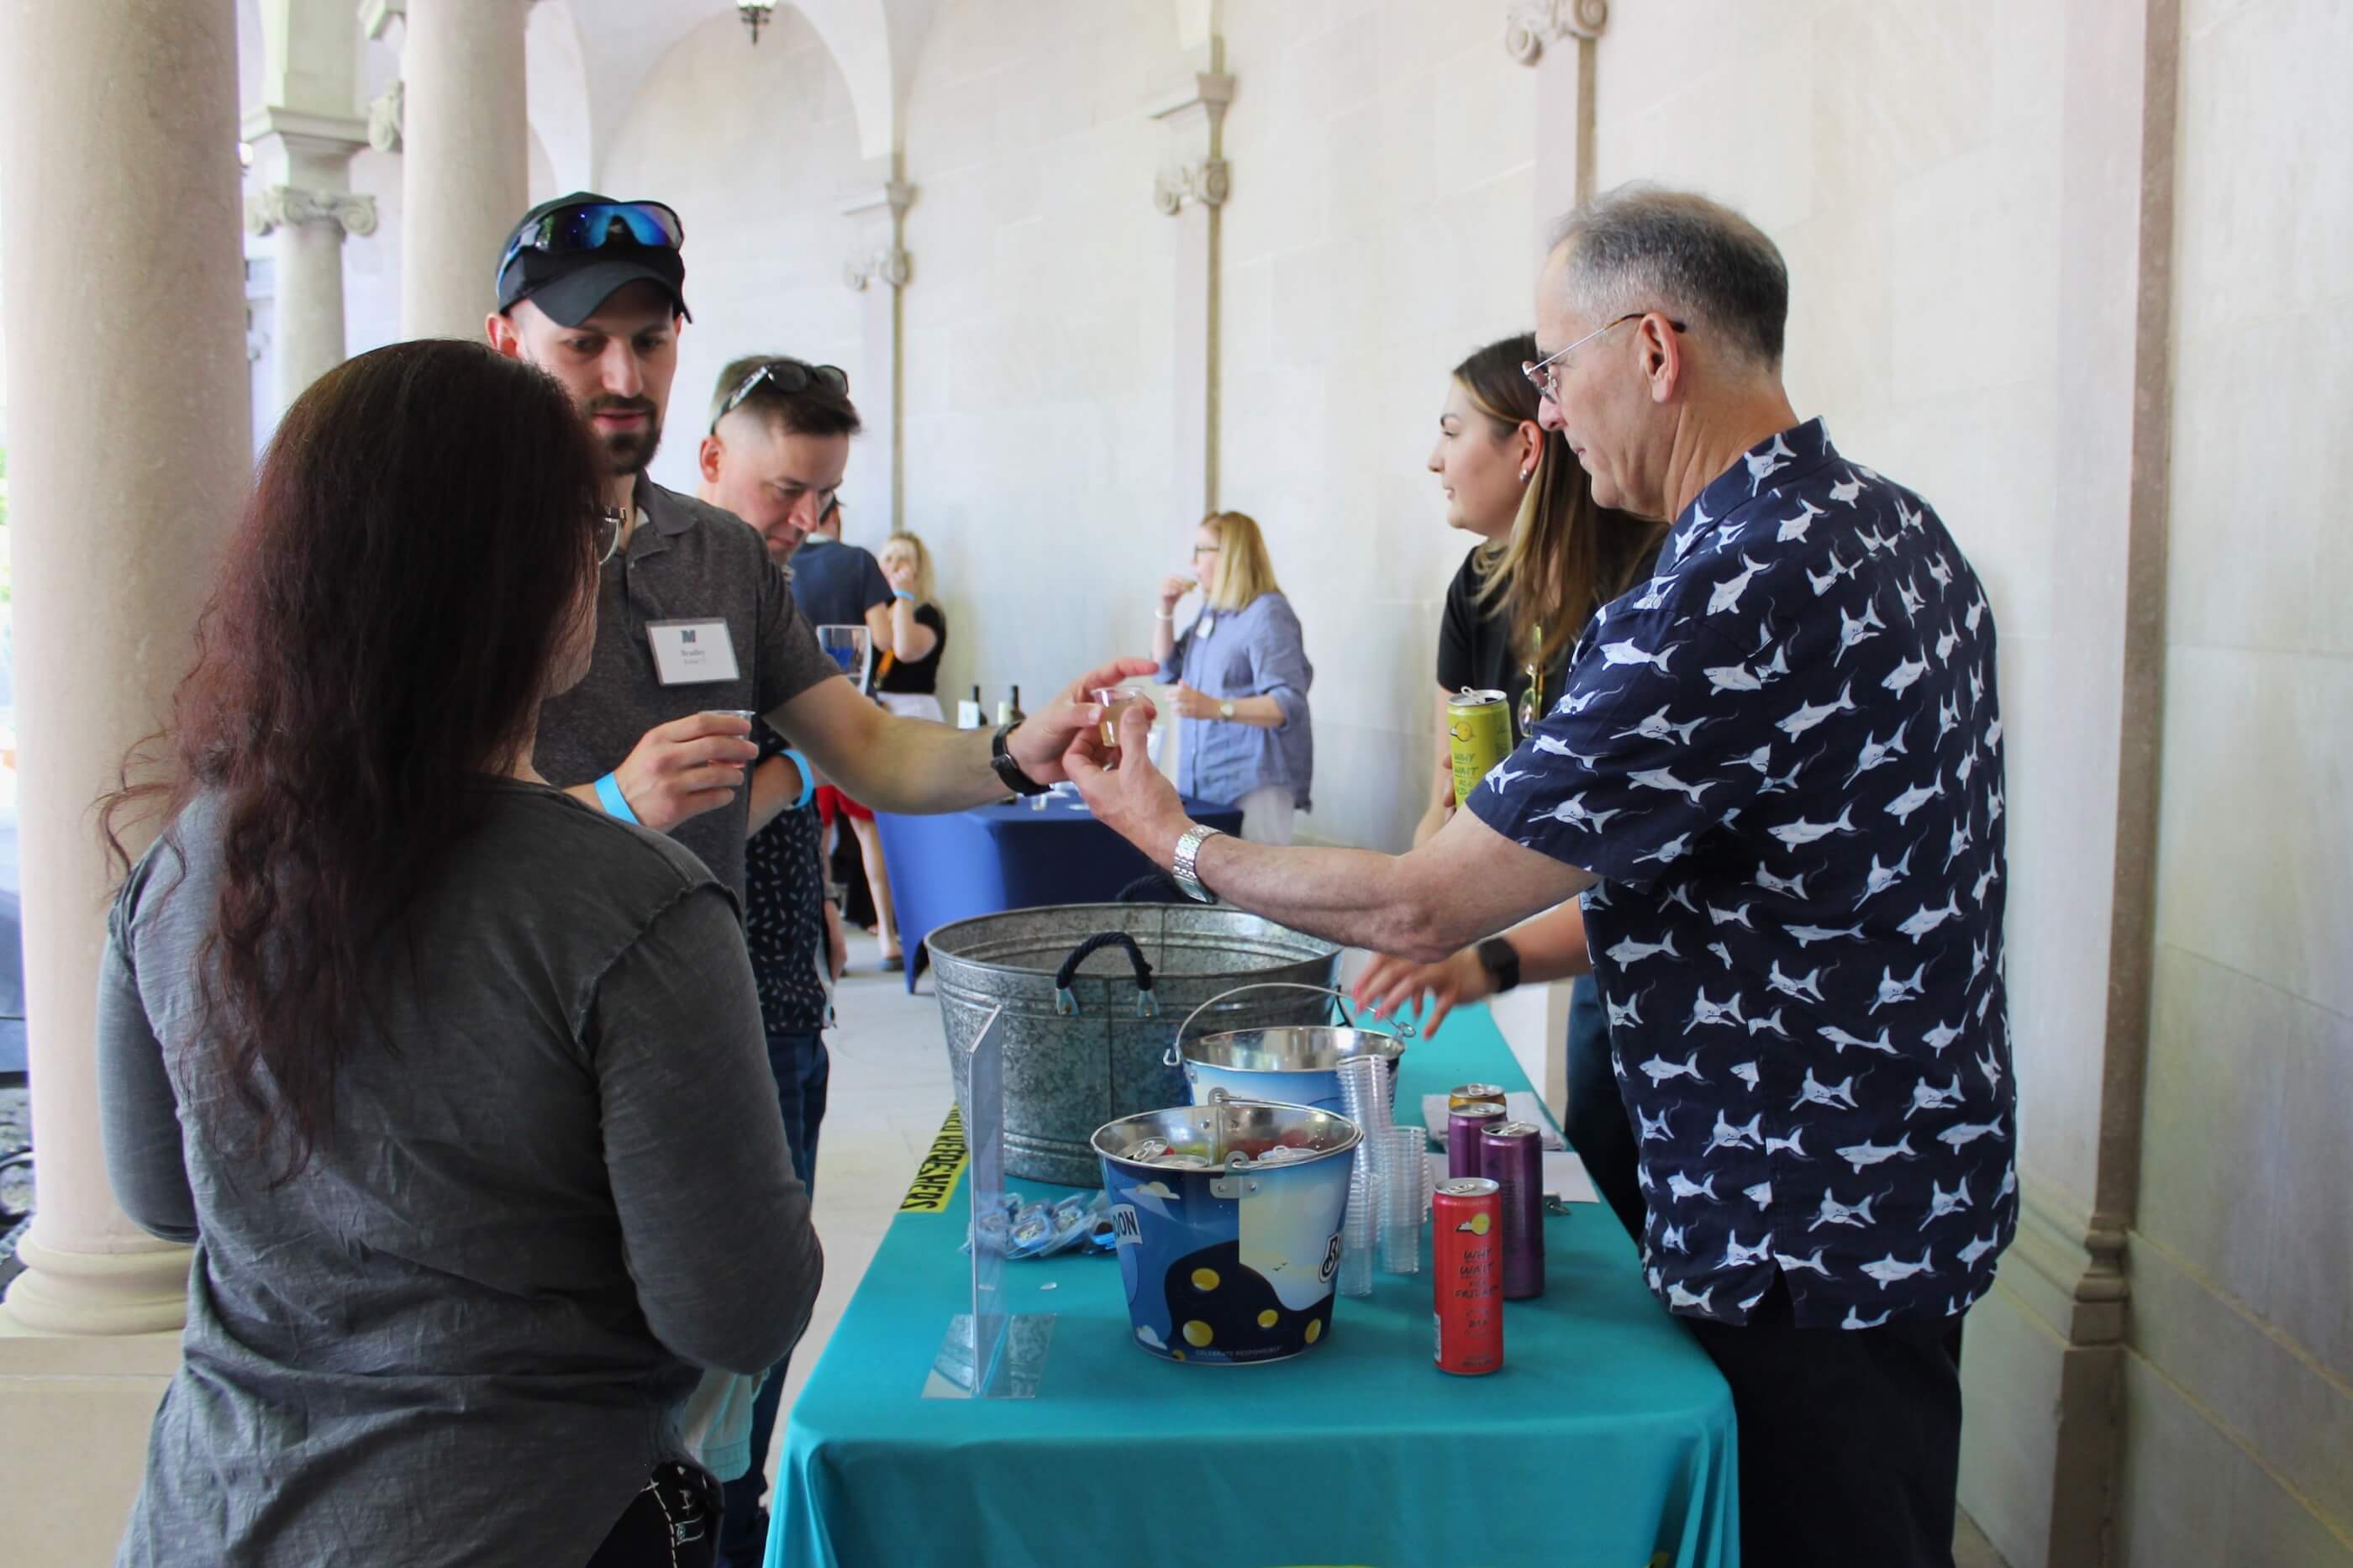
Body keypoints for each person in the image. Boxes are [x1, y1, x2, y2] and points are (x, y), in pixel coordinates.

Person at [1070, 185, 2016, 1568]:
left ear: (1654, 349)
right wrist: (1496, 960)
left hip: (1801, 1230)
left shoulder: (1735, 582)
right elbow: (1752, 875)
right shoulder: (1890, 526)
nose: (1552, 415)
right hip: (1901, 1193)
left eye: (1554, 371)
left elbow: (1419, 894)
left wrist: (1170, 835)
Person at [95, 340, 821, 1567]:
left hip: (211, 1516)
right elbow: (736, 1302)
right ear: (534, 582)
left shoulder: (184, 860)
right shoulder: (631, 907)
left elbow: (163, 1196)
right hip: (523, 1516)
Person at [484, 204, 1150, 926]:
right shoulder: (456, 544)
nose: (625, 376)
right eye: (584, 344)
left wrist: (1020, 752)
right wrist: (614, 804)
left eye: (650, 341)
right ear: (508, 344)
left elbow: (866, 745)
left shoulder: (722, 552)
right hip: (525, 1007)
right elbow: (398, 826)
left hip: (699, 998)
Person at [1380, 333, 1666, 1242]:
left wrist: (1470, 947)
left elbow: (1640, 869)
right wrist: (1410, 922)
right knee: (1606, 1175)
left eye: (1452, 428)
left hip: (1656, 960)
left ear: (1529, 445)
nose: (1433, 457)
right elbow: (1447, 802)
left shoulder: (1647, 590)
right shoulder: (1477, 589)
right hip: (1597, 955)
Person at [694, 355, 858, 1565]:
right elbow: (691, 813)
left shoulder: (771, 593)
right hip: (713, 1009)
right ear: (711, 460)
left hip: (785, 986)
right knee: (727, 1314)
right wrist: (807, 761)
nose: (804, 520)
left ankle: (733, 1506)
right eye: (784, 489)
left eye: (822, 498)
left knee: (778, 1291)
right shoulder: (666, 599)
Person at [1151, 511, 1314, 844]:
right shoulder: (1212, 612)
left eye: (1201, 550)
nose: (1192, 561)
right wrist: (1165, 609)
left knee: (1255, 890)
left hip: (1251, 783)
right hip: (1203, 781)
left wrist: (1215, 707)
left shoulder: (1267, 612)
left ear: (1229, 556)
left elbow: (1288, 703)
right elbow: (1165, 667)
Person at [874, 531, 948, 722]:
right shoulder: (878, 610)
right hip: (880, 711)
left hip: (915, 711)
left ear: (918, 570)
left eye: (903, 559)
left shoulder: (928, 612)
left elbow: (905, 650)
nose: (893, 566)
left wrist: (904, 597)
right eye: (888, 558)